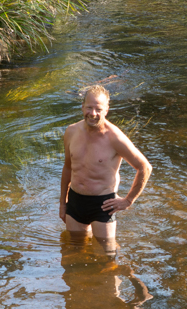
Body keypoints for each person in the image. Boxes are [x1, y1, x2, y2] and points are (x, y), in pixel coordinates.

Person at [59, 85, 152, 241]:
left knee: (106, 258)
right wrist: (62, 203)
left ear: (106, 110)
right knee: (73, 253)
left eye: (98, 109)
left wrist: (128, 200)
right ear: (82, 107)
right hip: (75, 202)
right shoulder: (71, 132)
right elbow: (68, 167)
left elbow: (144, 167)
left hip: (103, 205)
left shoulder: (114, 138)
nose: (93, 113)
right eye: (89, 107)